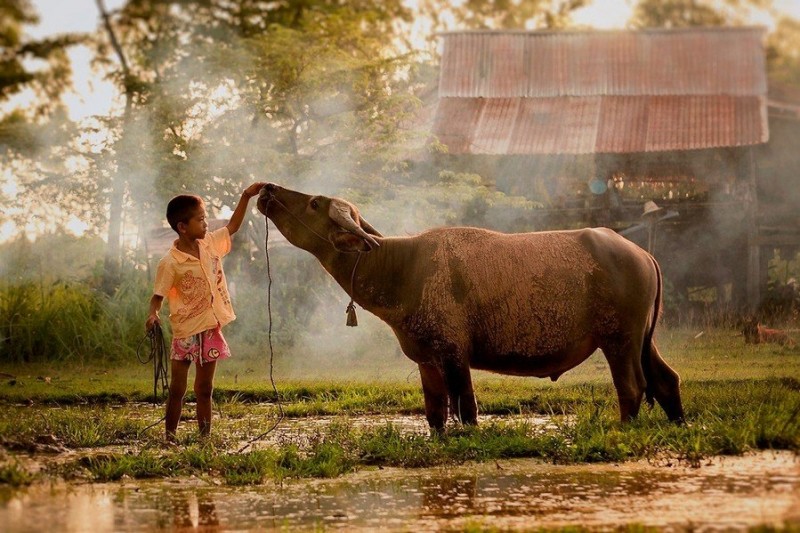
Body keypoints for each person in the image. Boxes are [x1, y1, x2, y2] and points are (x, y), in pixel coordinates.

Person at [145, 183, 266, 441]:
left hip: (210, 328)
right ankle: (170, 437)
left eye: (205, 217)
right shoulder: (170, 262)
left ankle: (204, 438)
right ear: (182, 227)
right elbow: (158, 296)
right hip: (185, 331)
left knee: (204, 388)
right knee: (177, 389)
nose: (206, 223)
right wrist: (153, 314)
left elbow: (232, 226)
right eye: (200, 219)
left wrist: (246, 196)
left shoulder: (210, 243)